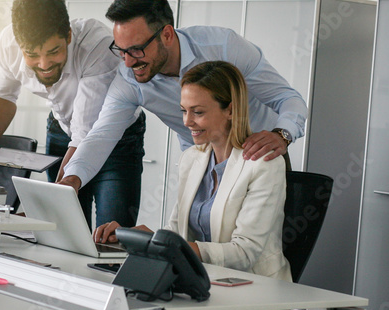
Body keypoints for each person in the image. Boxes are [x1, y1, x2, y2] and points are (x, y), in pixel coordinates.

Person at [59, 0, 307, 195]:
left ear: (166, 34)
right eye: (121, 50)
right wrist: (73, 179)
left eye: (136, 49)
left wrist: (282, 135)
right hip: (201, 163)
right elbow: (101, 135)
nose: (127, 62)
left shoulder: (223, 46)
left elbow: (288, 99)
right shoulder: (129, 79)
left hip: (258, 156)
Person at [94, 60, 291, 281]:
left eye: (197, 112)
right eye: (184, 111)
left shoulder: (263, 164)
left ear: (231, 110)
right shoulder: (192, 158)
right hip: (203, 279)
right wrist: (136, 237)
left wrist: (162, 243)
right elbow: (178, 231)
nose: (187, 122)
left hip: (254, 287)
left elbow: (244, 253)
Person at [0, 0, 145, 228]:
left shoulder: (98, 45)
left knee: (111, 232)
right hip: (61, 128)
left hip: (117, 139)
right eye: (32, 55)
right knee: (65, 226)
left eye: (53, 52)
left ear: (67, 35)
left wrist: (51, 202)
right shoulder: (8, 44)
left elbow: (85, 133)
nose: (43, 64)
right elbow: (2, 95)